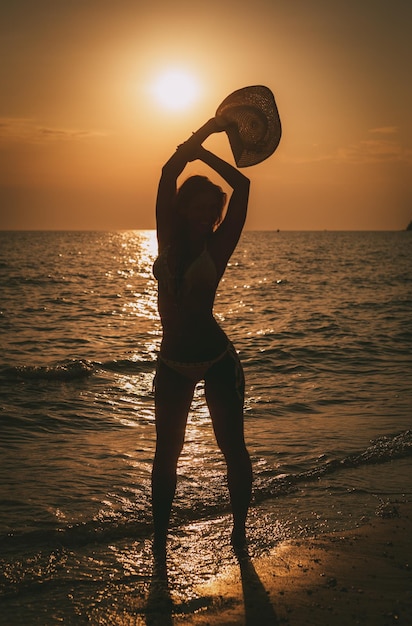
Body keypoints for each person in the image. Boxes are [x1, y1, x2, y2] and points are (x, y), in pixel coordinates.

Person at [152, 117, 253, 558]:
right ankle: (157, 543)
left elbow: (243, 187)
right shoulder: (167, 237)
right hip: (172, 361)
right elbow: (166, 174)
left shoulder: (219, 246)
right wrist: (200, 134)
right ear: (183, 208)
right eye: (196, 206)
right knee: (166, 455)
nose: (204, 216)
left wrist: (209, 150)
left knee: (232, 447)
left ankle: (239, 533)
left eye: (211, 211)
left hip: (216, 360)